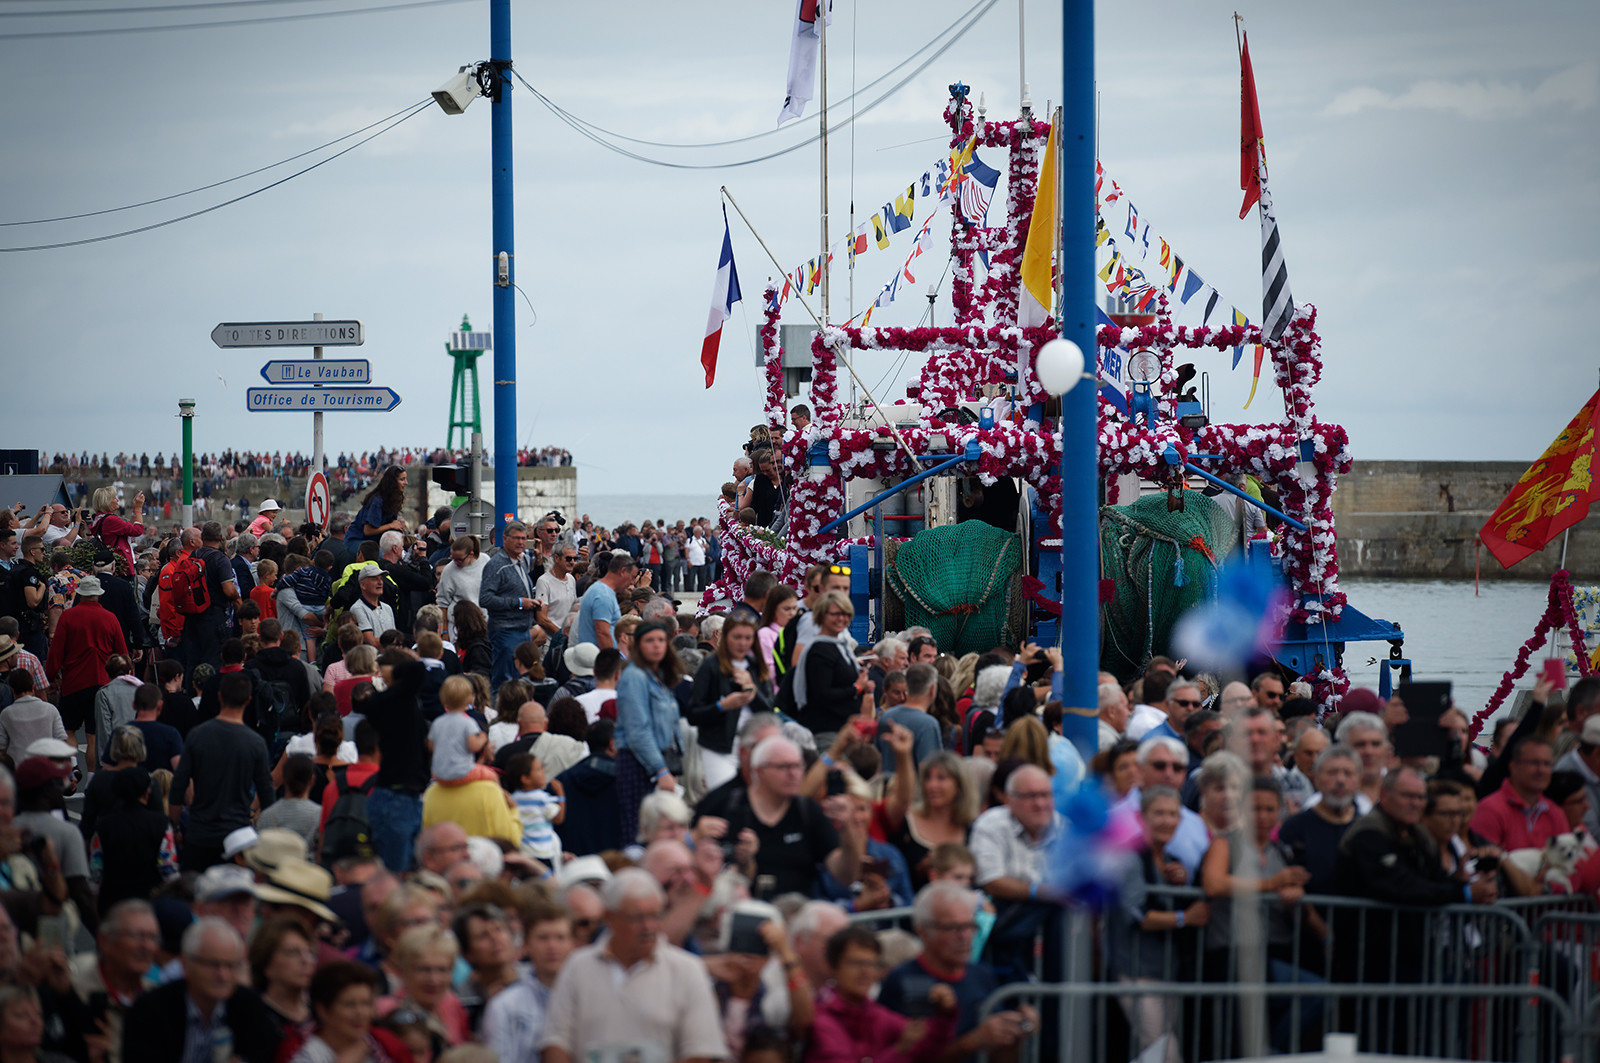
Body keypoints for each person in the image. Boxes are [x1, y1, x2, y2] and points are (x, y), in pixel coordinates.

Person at [539, 868, 729, 1063]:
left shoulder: (688, 970)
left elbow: (699, 1050)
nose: (648, 927)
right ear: (610, 918)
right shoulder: (577, 967)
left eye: (655, 915)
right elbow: (556, 1041)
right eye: (637, 918)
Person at [879, 882, 1040, 1063]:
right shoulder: (903, 980)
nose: (965, 936)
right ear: (923, 931)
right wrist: (973, 1041)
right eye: (953, 928)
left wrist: (1014, 1034)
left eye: (970, 926)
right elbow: (909, 1056)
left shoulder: (981, 973)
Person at [1107, 787, 1208, 1062]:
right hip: (1136, 972)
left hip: (1167, 971)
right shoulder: (1130, 858)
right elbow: (1136, 914)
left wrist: (1179, 886)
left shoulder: (1170, 861)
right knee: (1165, 1053)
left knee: (1155, 1052)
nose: (1166, 820)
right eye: (1159, 813)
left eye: (1173, 814)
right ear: (1141, 818)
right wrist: (1184, 917)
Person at [121, 917, 283, 1063]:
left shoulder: (250, 1006)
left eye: (230, 965)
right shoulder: (151, 1011)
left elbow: (262, 1052)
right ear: (186, 965)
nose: (223, 975)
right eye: (213, 964)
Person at [726, 734, 864, 899]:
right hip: (747, 913)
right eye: (783, 767)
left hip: (800, 914)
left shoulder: (807, 810)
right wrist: (744, 862)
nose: (793, 774)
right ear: (759, 771)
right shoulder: (729, 806)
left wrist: (847, 828)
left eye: (798, 766)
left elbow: (846, 875)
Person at [807, 925, 954, 1063]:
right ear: (833, 966)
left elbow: (925, 1046)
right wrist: (899, 1050)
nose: (865, 972)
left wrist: (945, 1015)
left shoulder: (874, 1013)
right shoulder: (821, 1018)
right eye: (856, 963)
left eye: (872, 964)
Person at [43, 574, 127, 769]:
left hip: (74, 682)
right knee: (93, 736)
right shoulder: (110, 617)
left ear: (80, 594)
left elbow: (56, 653)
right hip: (103, 682)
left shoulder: (68, 617)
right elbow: (121, 653)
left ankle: (73, 769)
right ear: (98, 595)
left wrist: (51, 678)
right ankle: (91, 778)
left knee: (68, 729)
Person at [615, 618, 687, 842]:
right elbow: (638, 731)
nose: (656, 645)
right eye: (649, 640)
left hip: (660, 761)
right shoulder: (634, 676)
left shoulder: (659, 676)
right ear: (638, 645)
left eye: (661, 640)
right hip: (639, 764)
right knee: (640, 831)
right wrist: (660, 770)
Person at [684, 615, 774, 792]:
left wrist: (751, 690)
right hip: (720, 745)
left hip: (753, 745)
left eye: (748, 638)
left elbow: (769, 710)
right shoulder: (711, 666)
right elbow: (694, 714)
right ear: (725, 638)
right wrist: (722, 706)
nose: (742, 643)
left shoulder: (756, 667)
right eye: (737, 637)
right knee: (725, 797)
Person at [875, 751, 976, 889]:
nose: (932, 785)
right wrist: (919, 870)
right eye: (928, 778)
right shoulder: (905, 823)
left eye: (941, 778)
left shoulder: (972, 829)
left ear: (959, 786)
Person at [286, 959, 411, 1063]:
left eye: (366, 1003)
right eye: (349, 1005)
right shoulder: (306, 1055)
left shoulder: (384, 1047)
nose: (360, 1013)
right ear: (322, 1010)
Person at [792, 591, 871, 741]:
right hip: (827, 732)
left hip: (842, 729)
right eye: (835, 614)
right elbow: (823, 694)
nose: (841, 618)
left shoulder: (840, 646)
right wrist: (857, 688)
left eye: (846, 614)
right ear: (821, 616)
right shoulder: (820, 650)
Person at [1469, 737, 1568, 850]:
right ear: (1513, 767)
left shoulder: (1555, 813)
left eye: (1547, 764)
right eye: (1534, 763)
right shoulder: (1489, 811)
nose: (1541, 770)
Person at [249, 916, 317, 1033]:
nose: (306, 960)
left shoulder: (320, 1015)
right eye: (292, 952)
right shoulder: (251, 1017)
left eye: (310, 953)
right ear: (266, 963)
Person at [875, 663, 946, 772]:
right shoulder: (928, 724)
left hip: (888, 786)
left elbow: (878, 758)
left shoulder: (886, 716)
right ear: (932, 689)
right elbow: (927, 769)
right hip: (912, 787)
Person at [505, 751, 564, 861]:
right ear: (525, 779)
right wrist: (561, 795)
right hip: (543, 852)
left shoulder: (513, 799)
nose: (544, 772)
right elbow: (558, 818)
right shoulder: (541, 798)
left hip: (523, 852)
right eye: (539, 769)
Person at [573, 550, 636, 651]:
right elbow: (602, 633)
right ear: (623, 571)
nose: (632, 582)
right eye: (632, 577)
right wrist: (612, 662)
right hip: (599, 660)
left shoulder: (603, 591)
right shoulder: (603, 595)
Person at [437, 536, 489, 640]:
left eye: (460, 559)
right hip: (458, 626)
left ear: (471, 554)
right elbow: (443, 603)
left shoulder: (485, 560)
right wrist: (445, 631)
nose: (455, 562)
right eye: (453, 558)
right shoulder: (449, 570)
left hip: (483, 622)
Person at [86, 485, 146, 575]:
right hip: (123, 567)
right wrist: (138, 509)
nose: (117, 500)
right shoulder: (110, 520)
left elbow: (128, 529)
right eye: (114, 498)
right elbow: (137, 530)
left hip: (117, 564)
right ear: (107, 501)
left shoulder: (101, 518)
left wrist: (134, 510)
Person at [346, 466, 409, 546]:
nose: (406, 482)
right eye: (402, 479)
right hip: (357, 540)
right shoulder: (377, 501)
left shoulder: (392, 500)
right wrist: (391, 525)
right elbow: (367, 530)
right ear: (392, 482)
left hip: (372, 542)